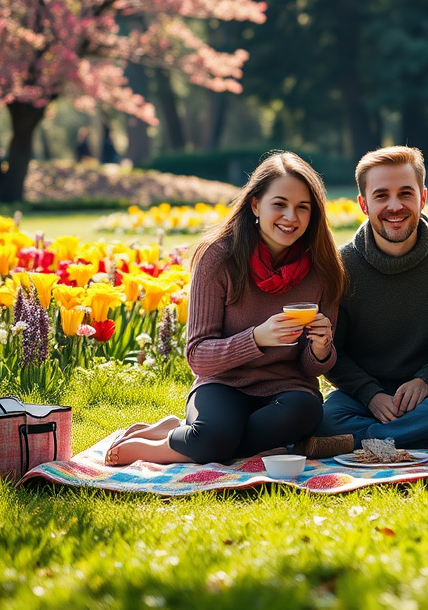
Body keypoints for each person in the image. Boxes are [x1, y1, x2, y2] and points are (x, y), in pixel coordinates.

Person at [104, 151, 346, 466]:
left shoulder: (322, 269)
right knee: (217, 434)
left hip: (287, 390)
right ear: (255, 204)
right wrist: (257, 338)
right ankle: (168, 443)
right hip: (223, 382)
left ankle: (190, 436)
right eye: (280, 204)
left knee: (307, 411)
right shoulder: (218, 258)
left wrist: (321, 348)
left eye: (303, 208)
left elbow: (313, 369)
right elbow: (198, 356)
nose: (291, 217)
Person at [309, 146, 428, 456]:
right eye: (381, 195)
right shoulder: (340, 266)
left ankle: (367, 441)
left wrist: (427, 379)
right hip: (361, 397)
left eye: (405, 194)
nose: (395, 206)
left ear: (423, 197)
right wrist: (369, 393)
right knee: (325, 418)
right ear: (363, 203)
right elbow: (333, 351)